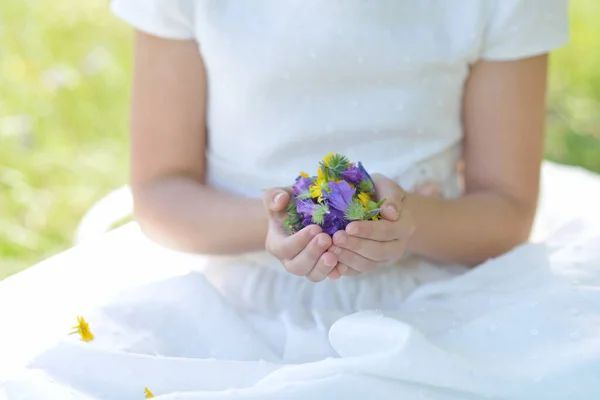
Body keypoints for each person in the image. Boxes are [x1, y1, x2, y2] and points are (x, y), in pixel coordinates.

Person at [4, 1, 600, 399]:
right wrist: (270, 224)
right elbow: (161, 190)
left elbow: (506, 209)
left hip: (435, 289)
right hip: (232, 285)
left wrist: (411, 223)